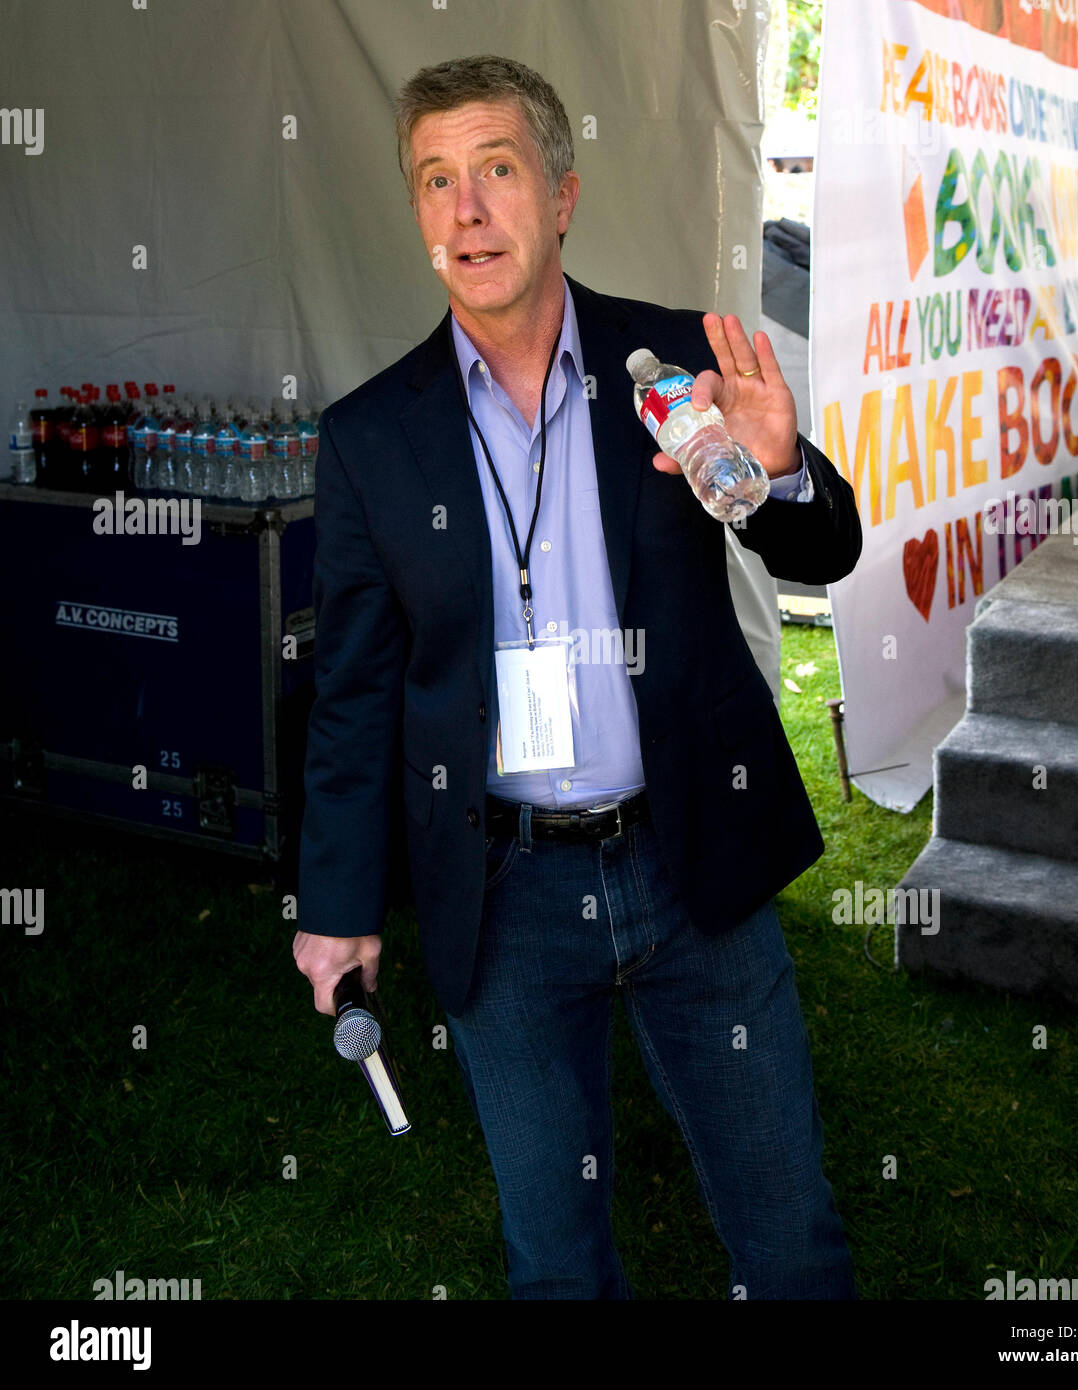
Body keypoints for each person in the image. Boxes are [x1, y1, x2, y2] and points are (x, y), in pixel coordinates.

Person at [293, 53, 862, 1300]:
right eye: (435, 180)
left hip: (690, 862)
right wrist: (335, 902)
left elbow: (826, 548)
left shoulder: (670, 364)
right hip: (506, 898)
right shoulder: (370, 438)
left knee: (789, 1236)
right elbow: (352, 697)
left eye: (496, 171)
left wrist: (778, 476)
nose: (466, 209)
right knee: (554, 1262)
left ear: (562, 195)